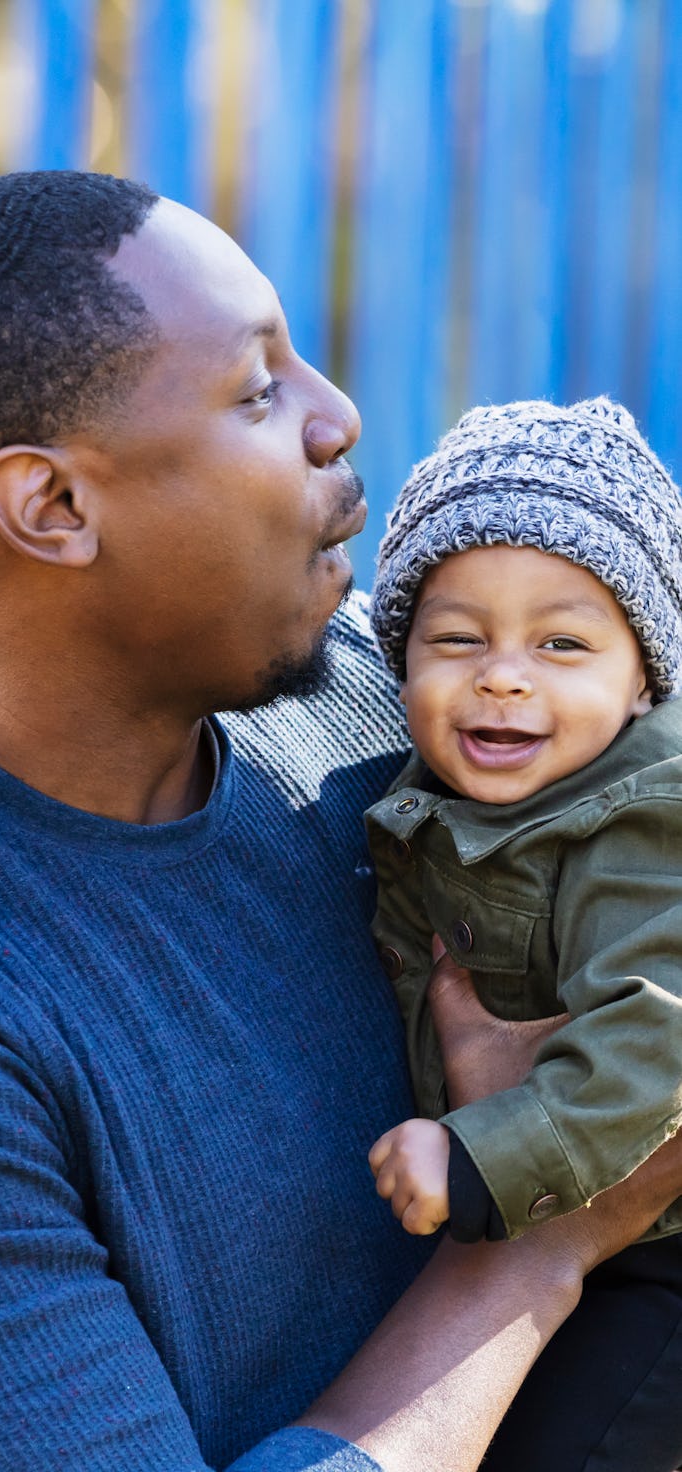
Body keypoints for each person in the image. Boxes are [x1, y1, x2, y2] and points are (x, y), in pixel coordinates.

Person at [0, 175, 678, 1472]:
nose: (337, 416)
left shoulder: (369, 695)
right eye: (258, 389)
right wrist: (544, 1239)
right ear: (53, 508)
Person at [365, 396, 682, 1470]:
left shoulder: (643, 820)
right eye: (458, 638)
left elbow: (661, 1039)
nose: (504, 673)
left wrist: (477, 1154)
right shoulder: (438, 792)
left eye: (562, 641)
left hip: (659, 1251)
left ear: (643, 675)